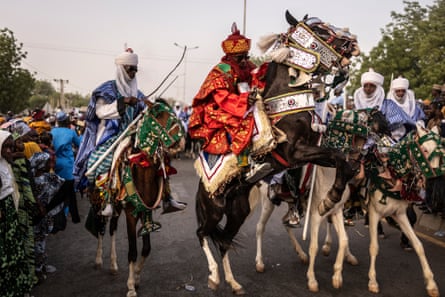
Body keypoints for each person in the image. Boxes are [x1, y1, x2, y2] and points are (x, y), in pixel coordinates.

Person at [73, 48, 185, 217]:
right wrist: (123, 102)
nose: (133, 72)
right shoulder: (107, 89)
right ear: (121, 69)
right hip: (112, 136)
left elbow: (145, 111)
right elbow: (100, 112)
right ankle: (108, 201)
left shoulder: (137, 92)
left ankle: (167, 197)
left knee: (160, 156)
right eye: (129, 69)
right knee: (103, 162)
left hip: (135, 134)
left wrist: (150, 107)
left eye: (135, 69)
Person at [188, 23, 272, 184]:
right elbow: (222, 97)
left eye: (246, 56)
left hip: (243, 105)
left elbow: (257, 79)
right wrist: (243, 101)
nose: (244, 61)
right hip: (219, 110)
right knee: (244, 122)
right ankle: (246, 164)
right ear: (230, 57)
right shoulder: (220, 71)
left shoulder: (246, 66)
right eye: (240, 57)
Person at [0, 130, 36, 297]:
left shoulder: (6, 165)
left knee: (16, 254)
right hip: (3, 218)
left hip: (10, 214)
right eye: (5, 147)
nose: (9, 151)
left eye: (10, 146)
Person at [51, 111, 81, 223]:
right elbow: (80, 144)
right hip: (68, 165)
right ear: (67, 120)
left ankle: (60, 213)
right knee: (69, 190)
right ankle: (66, 213)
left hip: (55, 164)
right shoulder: (71, 132)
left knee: (58, 189)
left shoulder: (52, 131)